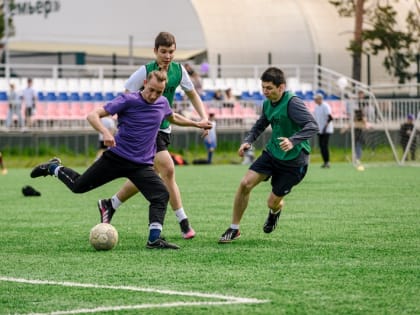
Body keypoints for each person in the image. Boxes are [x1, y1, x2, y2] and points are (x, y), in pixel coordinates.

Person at [29, 70, 212, 250]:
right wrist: (106, 132)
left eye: (159, 92)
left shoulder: (162, 103)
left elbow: (172, 117)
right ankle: (54, 168)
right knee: (78, 186)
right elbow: (92, 115)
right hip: (116, 158)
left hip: (141, 165)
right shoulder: (128, 100)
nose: (154, 95)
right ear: (145, 82)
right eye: (152, 90)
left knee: (161, 195)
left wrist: (197, 123)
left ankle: (154, 240)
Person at [97, 32, 209, 239]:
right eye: (163, 52)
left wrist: (203, 118)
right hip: (146, 130)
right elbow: (127, 94)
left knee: (149, 175)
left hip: (164, 128)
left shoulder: (178, 70)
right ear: (155, 51)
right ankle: (183, 222)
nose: (167, 56)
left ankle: (110, 204)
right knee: (168, 169)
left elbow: (193, 94)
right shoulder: (145, 71)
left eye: (171, 52)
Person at [218, 67, 318, 243]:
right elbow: (260, 125)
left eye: (269, 88)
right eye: (263, 87)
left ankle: (275, 211)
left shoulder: (293, 103)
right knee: (245, 184)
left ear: (281, 87)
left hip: (294, 161)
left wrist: (293, 140)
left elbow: (312, 125)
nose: (265, 92)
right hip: (272, 153)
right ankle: (234, 229)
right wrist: (248, 141)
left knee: (272, 202)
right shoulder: (266, 104)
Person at [313, 93, 333, 168]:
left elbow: (330, 117)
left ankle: (327, 162)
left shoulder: (325, 106)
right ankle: (325, 162)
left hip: (326, 130)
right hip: (320, 130)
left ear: (320, 99)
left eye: (316, 99)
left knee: (324, 146)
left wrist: (325, 127)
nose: (315, 100)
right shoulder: (316, 107)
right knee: (321, 146)